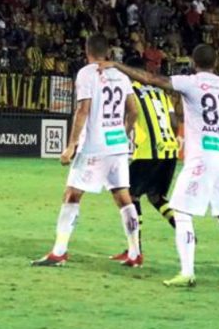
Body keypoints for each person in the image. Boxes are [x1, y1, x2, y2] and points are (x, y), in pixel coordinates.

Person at [100, 44, 219, 288]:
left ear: (192, 62)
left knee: (180, 212)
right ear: (217, 63)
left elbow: (151, 78)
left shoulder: (191, 82)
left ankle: (187, 272)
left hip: (202, 157)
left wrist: (116, 64)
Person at [31, 35, 140, 267]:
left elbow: (83, 110)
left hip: (95, 146)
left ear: (86, 50)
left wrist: (71, 145)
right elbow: (134, 111)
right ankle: (135, 253)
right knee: (123, 197)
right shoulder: (121, 75)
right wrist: (122, 132)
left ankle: (59, 252)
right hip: (118, 145)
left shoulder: (86, 73)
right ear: (108, 52)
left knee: (72, 195)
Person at [110, 57, 179, 263]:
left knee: (129, 196)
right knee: (156, 196)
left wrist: (123, 137)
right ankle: (184, 230)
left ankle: (135, 250)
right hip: (170, 150)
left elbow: (131, 114)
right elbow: (175, 123)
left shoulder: (130, 90)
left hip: (149, 152)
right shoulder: (161, 92)